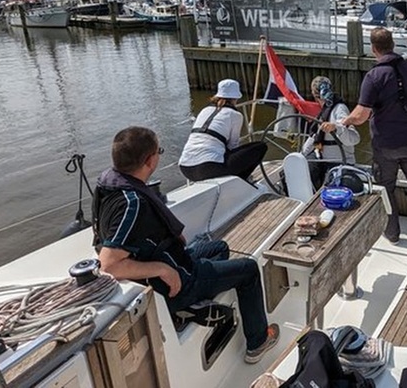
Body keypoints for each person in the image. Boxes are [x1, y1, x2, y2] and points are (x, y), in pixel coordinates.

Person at [93, 126, 279, 364]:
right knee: (249, 269)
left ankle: (194, 305)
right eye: (158, 151)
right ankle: (257, 342)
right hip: (174, 279)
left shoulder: (109, 185)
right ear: (150, 160)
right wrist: (164, 270)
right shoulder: (132, 204)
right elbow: (108, 265)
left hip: (172, 258)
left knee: (219, 247)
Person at [341, 28, 407, 243]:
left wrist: (346, 120)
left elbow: (362, 114)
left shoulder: (373, 77)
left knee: (386, 188)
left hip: (386, 147)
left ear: (373, 49)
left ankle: (392, 234)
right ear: (393, 45)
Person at [179, 79, 268, 182]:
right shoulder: (235, 115)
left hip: (185, 167)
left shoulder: (205, 110)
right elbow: (232, 145)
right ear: (235, 98)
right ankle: (242, 181)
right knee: (260, 147)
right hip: (208, 168)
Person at [302, 76, 360, 189]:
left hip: (341, 163)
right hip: (323, 159)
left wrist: (336, 128)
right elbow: (313, 139)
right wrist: (301, 156)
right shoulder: (323, 113)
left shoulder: (340, 110)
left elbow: (354, 139)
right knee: (303, 170)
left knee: (329, 186)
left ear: (314, 96)